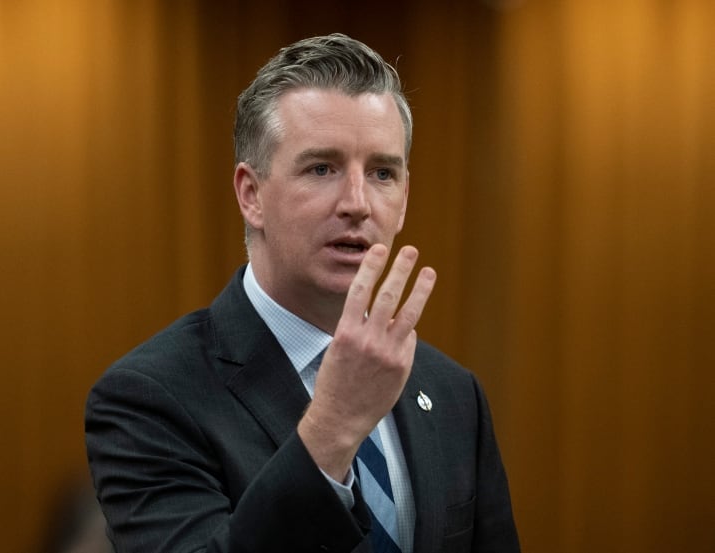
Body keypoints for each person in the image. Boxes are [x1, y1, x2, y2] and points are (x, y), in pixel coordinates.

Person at [85, 33, 520, 553]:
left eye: (383, 172)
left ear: (403, 201)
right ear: (251, 195)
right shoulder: (149, 397)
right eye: (322, 168)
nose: (358, 203)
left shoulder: (453, 394)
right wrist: (333, 426)